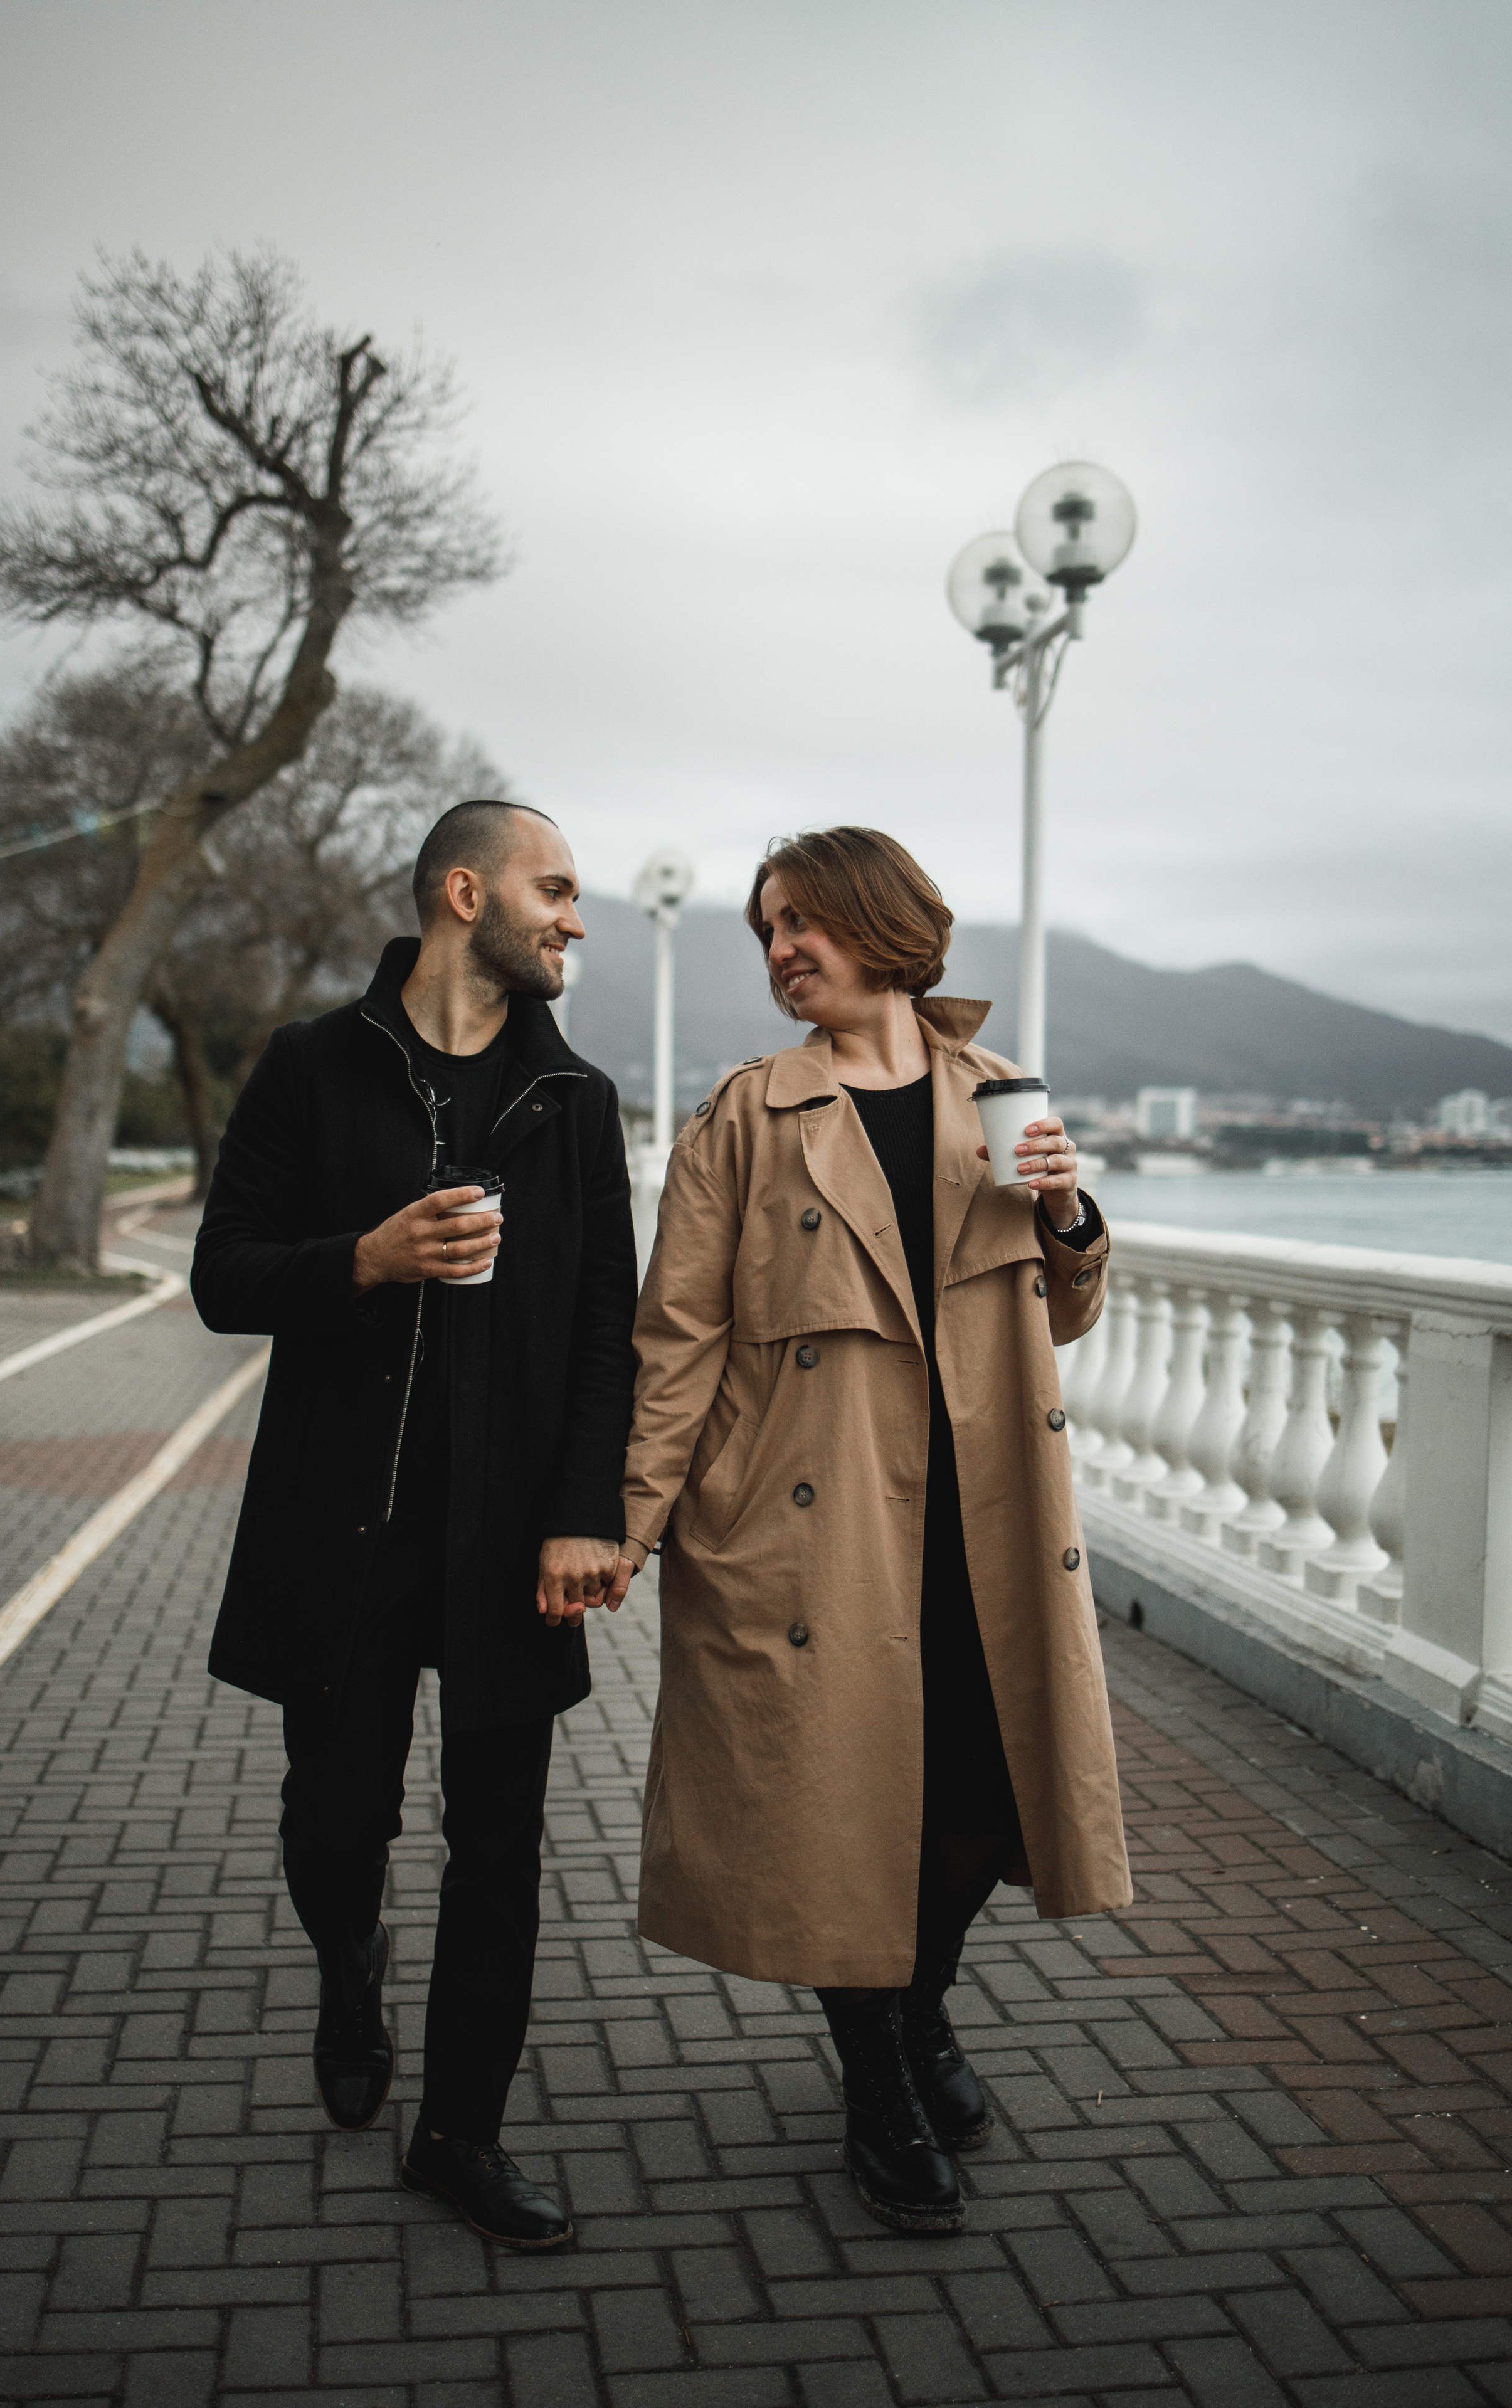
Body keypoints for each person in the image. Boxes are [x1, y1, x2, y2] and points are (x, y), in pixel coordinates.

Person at [618, 826, 1131, 2235]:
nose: (784, 949)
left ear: (884, 926)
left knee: (971, 1798)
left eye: (806, 922)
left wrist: (1069, 1210)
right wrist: (627, 1522)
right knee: (843, 1807)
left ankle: (921, 2018)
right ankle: (874, 2083)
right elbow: (676, 1337)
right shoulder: (744, 1113)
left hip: (981, 1522)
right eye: (767, 928)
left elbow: (1062, 1309)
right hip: (806, 1524)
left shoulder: (995, 1092)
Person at [191, 800, 637, 2251]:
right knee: (336, 1827)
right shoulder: (314, 1068)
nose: (576, 916)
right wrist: (367, 1260)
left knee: (497, 1845)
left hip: (513, 1544)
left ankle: (459, 2138)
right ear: (465, 893)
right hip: (345, 1530)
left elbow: (600, 1341)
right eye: (553, 889)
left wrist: (584, 1515)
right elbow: (224, 1276)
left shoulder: (576, 1104)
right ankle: (347, 1958)